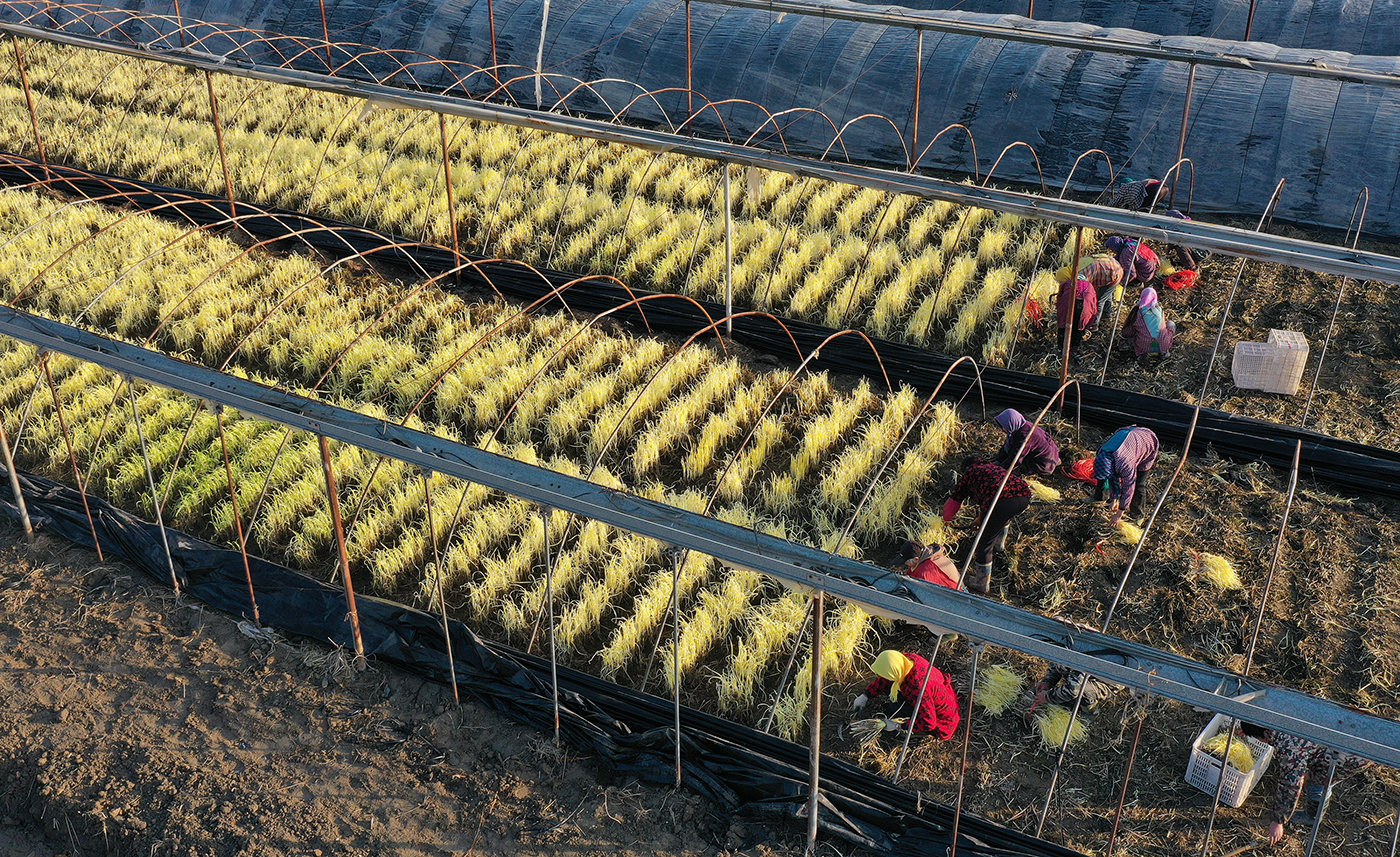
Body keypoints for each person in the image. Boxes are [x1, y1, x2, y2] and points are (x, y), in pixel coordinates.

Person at [1256, 729, 1373, 845]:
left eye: (1261, 739)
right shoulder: (1284, 720)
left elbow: (1291, 784)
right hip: (1355, 735)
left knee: (1316, 782)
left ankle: (1313, 816)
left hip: (1353, 755)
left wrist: (1278, 821)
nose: (1263, 741)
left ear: (1266, 733)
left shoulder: (1288, 747)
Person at [943, 457, 1032, 594]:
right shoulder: (992, 468)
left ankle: (981, 583)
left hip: (1003, 502)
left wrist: (945, 520)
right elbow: (989, 496)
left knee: (984, 541)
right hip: (1023, 496)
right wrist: (980, 519)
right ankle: (999, 546)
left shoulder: (970, 474)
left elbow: (954, 502)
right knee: (1001, 518)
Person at [852, 649, 960, 740]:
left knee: (895, 703)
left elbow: (929, 722)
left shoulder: (917, 688)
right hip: (942, 695)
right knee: (895, 696)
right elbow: (887, 679)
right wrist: (866, 695)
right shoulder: (907, 660)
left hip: (941, 720)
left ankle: (918, 733)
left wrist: (898, 725)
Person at [1092, 426, 1159, 525]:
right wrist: (1114, 498)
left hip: (1147, 441)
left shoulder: (1125, 464)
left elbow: (1128, 488)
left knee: (1138, 484)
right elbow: (1111, 478)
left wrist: (1119, 513)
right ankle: (1100, 497)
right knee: (1103, 476)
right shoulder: (1101, 453)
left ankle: (1137, 515)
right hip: (1126, 434)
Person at [992, 408, 1060, 476]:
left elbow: (1016, 458)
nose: (1003, 429)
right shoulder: (1021, 425)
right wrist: (999, 460)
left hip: (1044, 464)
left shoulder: (1024, 437)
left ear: (1012, 423)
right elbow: (1007, 446)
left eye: (1004, 427)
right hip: (1050, 453)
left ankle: (1033, 470)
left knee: (1020, 460)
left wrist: (1001, 469)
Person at [1121, 287, 1176, 364]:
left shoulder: (1137, 312)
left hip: (1144, 345)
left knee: (1130, 338)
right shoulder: (1159, 309)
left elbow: (1128, 332)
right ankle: (1164, 353)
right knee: (1171, 323)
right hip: (1163, 344)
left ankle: (1142, 354)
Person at [1055, 276, 1098, 358]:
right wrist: (1087, 326)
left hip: (1068, 305)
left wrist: (1059, 308)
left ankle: (1061, 350)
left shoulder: (1068, 282)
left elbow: (1059, 296)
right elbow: (1094, 305)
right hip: (1084, 308)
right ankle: (1073, 350)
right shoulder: (1090, 286)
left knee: (1064, 327)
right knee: (1078, 329)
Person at [896, 539, 961, 590]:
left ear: (916, 559)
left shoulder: (925, 570)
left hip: (956, 598)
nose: (905, 564)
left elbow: (923, 593)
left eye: (905, 561)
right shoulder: (921, 559)